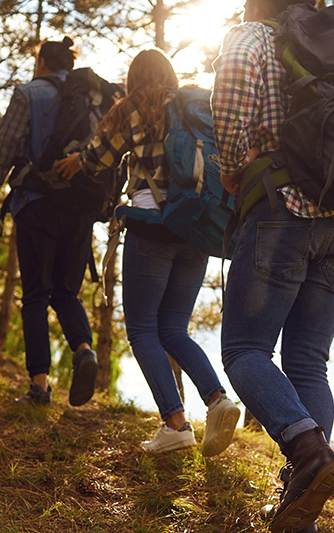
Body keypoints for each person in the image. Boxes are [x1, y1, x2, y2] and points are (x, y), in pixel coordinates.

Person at [55, 49, 241, 456]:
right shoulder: (193, 108)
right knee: (174, 329)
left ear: (134, 77)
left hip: (151, 226)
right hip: (194, 229)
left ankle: (175, 424)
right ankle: (218, 401)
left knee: (142, 329)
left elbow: (98, 157)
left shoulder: (131, 106)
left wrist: (75, 160)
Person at [212, 1, 334, 531]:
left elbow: (229, 99)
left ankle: (308, 453)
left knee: (245, 349)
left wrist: (231, 167)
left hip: (280, 208)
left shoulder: (251, 37)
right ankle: (303, 501)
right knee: (308, 364)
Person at [0, 39, 99, 408]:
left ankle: (40, 387)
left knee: (36, 296)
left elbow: (4, 146)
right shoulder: (91, 98)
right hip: (79, 209)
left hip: (37, 203)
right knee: (66, 293)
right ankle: (84, 350)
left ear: (42, 62)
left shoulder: (29, 93)